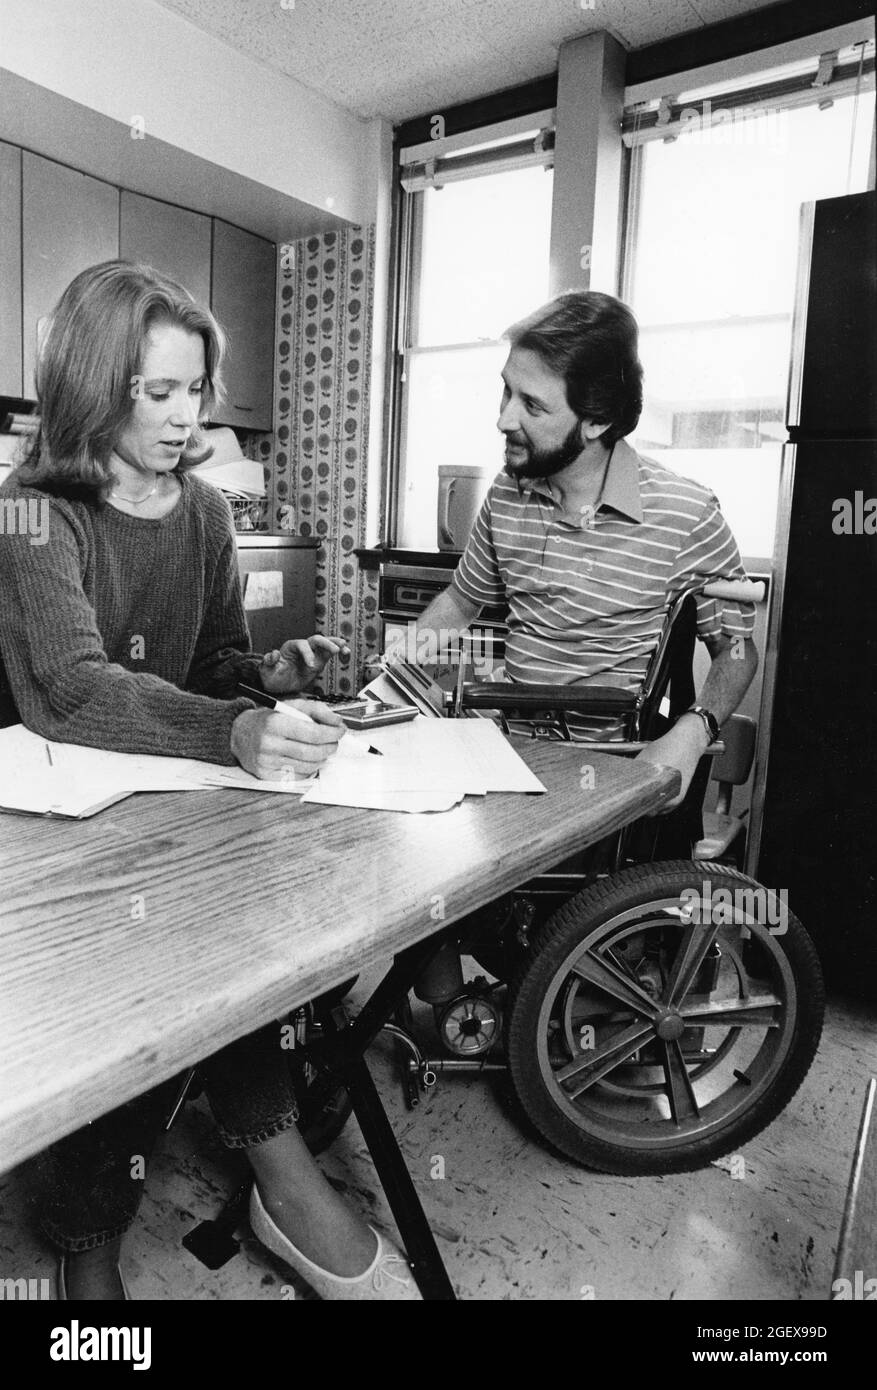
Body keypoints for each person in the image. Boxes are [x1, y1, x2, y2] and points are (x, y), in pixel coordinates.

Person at [0, 260, 420, 1301]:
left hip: (157, 811)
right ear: (95, 386)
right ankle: (87, 1239)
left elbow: (211, 667)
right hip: (42, 832)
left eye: (196, 390)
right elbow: (68, 690)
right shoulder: (27, 513)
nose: (187, 418)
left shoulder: (203, 515)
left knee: (236, 945)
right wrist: (235, 729)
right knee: (128, 984)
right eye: (159, 392)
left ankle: (276, 1175)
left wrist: (265, 678)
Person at [412, 290, 758, 818]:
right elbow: (460, 604)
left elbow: (737, 651)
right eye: (506, 392)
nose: (504, 420)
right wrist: (392, 680)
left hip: (610, 773)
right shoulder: (508, 494)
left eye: (532, 405)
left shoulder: (687, 513)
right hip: (507, 759)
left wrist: (693, 732)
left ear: (596, 421)